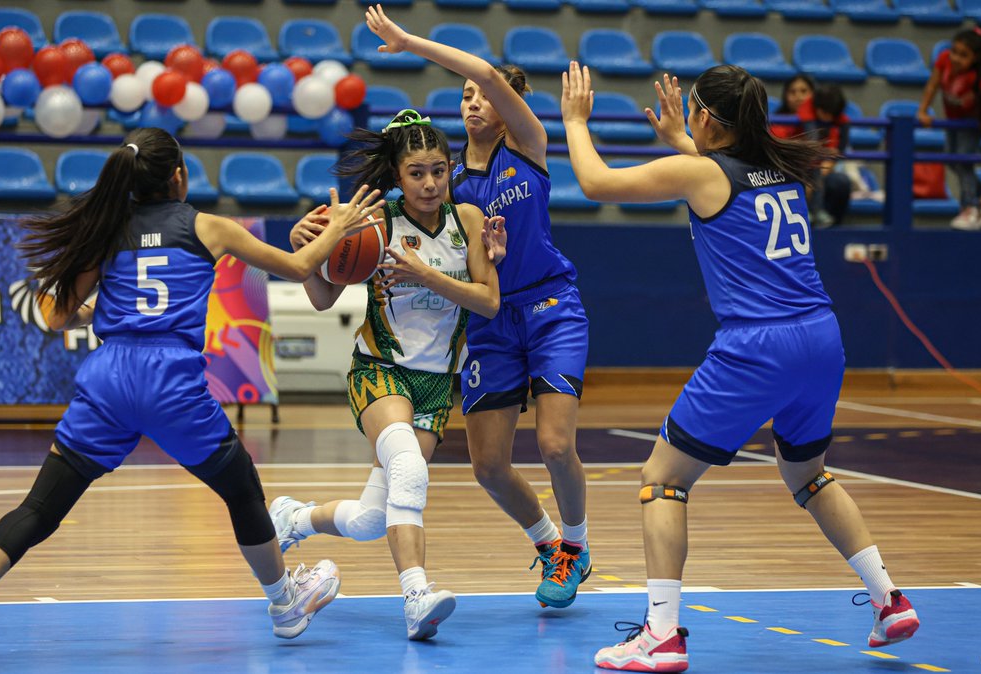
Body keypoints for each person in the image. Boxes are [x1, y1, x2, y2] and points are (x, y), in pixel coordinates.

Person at [0, 127, 384, 666]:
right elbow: (298, 267)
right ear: (179, 177)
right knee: (242, 489)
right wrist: (338, 228)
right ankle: (285, 603)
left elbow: (55, 317)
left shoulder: (106, 230)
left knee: (40, 506)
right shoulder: (208, 226)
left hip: (109, 376)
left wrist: (99, 311)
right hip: (169, 377)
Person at [560, 64, 921, 672]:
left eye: (692, 112)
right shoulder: (780, 171)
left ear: (707, 117)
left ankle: (660, 635)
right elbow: (721, 182)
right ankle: (889, 599)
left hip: (759, 345)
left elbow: (595, 183)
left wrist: (574, 120)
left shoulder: (703, 173)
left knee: (662, 480)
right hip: (821, 338)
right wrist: (681, 138)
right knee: (809, 476)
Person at [364, 4, 595, 611]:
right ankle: (547, 542)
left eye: (484, 94)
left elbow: (489, 74)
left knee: (554, 445)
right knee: (489, 465)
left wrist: (408, 41)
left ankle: (576, 544)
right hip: (490, 322)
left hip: (550, 307)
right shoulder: (448, 187)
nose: (474, 100)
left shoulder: (529, 147)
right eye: (465, 94)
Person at [269, 109, 503, 640]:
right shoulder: (375, 223)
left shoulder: (468, 220)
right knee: (408, 467)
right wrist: (305, 249)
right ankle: (416, 596)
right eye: (417, 173)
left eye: (439, 171)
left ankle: (293, 519)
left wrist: (425, 275)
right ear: (397, 175)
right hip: (380, 370)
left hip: (437, 382)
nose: (430, 183)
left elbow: (488, 302)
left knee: (372, 519)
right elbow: (323, 298)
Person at [918, 26, 981, 231]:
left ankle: (970, 207)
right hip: (952, 121)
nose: (956, 58)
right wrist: (922, 110)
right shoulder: (943, 60)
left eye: (963, 55)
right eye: (954, 52)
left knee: (964, 163)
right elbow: (932, 85)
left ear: (975, 58)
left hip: (970, 124)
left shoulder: (979, 80)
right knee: (951, 160)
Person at [800, 84, 854, 228]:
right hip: (804, 165)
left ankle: (824, 218)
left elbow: (842, 141)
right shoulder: (807, 111)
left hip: (821, 166)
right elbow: (812, 143)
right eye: (825, 113)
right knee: (813, 176)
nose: (828, 118)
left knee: (839, 182)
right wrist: (822, 156)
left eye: (832, 114)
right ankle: (809, 212)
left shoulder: (838, 116)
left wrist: (832, 160)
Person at [769, 73, 815, 140]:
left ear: (813, 94)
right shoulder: (776, 126)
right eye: (792, 92)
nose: (798, 97)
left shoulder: (824, 120)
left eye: (803, 91)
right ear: (785, 96)